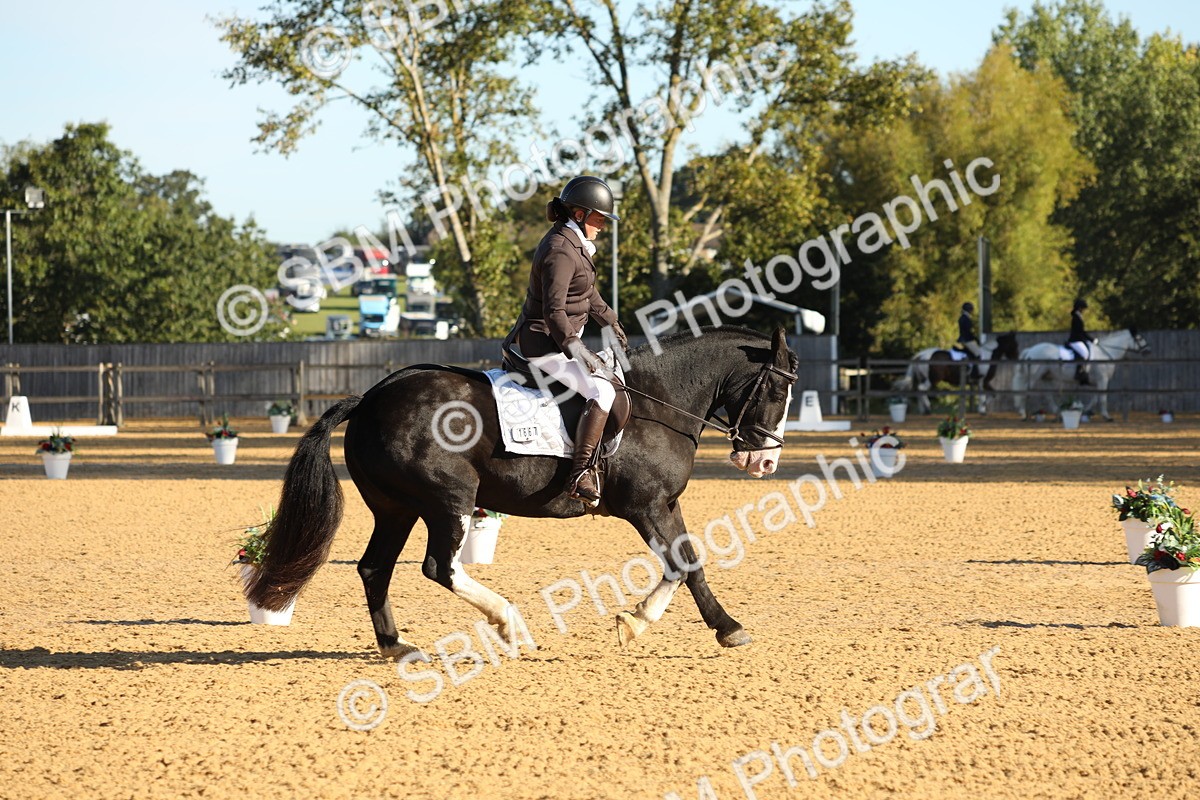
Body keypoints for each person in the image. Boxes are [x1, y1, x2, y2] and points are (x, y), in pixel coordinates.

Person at [506, 175, 628, 505]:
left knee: (613, 378)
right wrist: (577, 348)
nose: (602, 226)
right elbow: (554, 311)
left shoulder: (574, 245)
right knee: (600, 389)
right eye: (599, 218)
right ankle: (580, 473)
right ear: (579, 215)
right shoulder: (560, 250)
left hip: (558, 339)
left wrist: (612, 321)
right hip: (544, 342)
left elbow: (587, 294)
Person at [1065, 298, 1093, 385]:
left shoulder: (1078, 316)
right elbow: (1080, 331)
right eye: (1083, 308)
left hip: (1079, 339)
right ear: (1080, 308)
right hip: (1075, 340)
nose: (1084, 310)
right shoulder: (1076, 317)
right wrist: (1091, 339)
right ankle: (1079, 373)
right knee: (1084, 353)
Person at [956, 302, 983, 380]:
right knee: (978, 354)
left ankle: (970, 369)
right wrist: (975, 339)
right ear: (969, 309)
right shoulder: (966, 318)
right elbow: (968, 332)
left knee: (972, 354)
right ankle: (974, 373)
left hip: (965, 339)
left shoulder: (963, 317)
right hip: (967, 339)